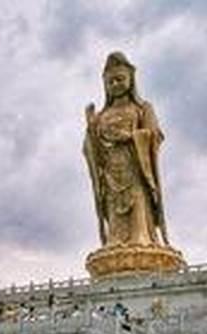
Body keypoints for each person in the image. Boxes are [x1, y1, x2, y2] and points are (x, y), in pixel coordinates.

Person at [83, 51, 169, 248]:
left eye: (119, 79)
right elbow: (92, 149)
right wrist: (91, 127)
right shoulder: (102, 114)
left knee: (137, 199)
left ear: (131, 80)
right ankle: (115, 240)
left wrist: (132, 137)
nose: (115, 85)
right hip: (111, 169)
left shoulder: (142, 109)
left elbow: (154, 135)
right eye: (110, 82)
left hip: (136, 165)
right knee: (113, 206)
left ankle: (142, 238)